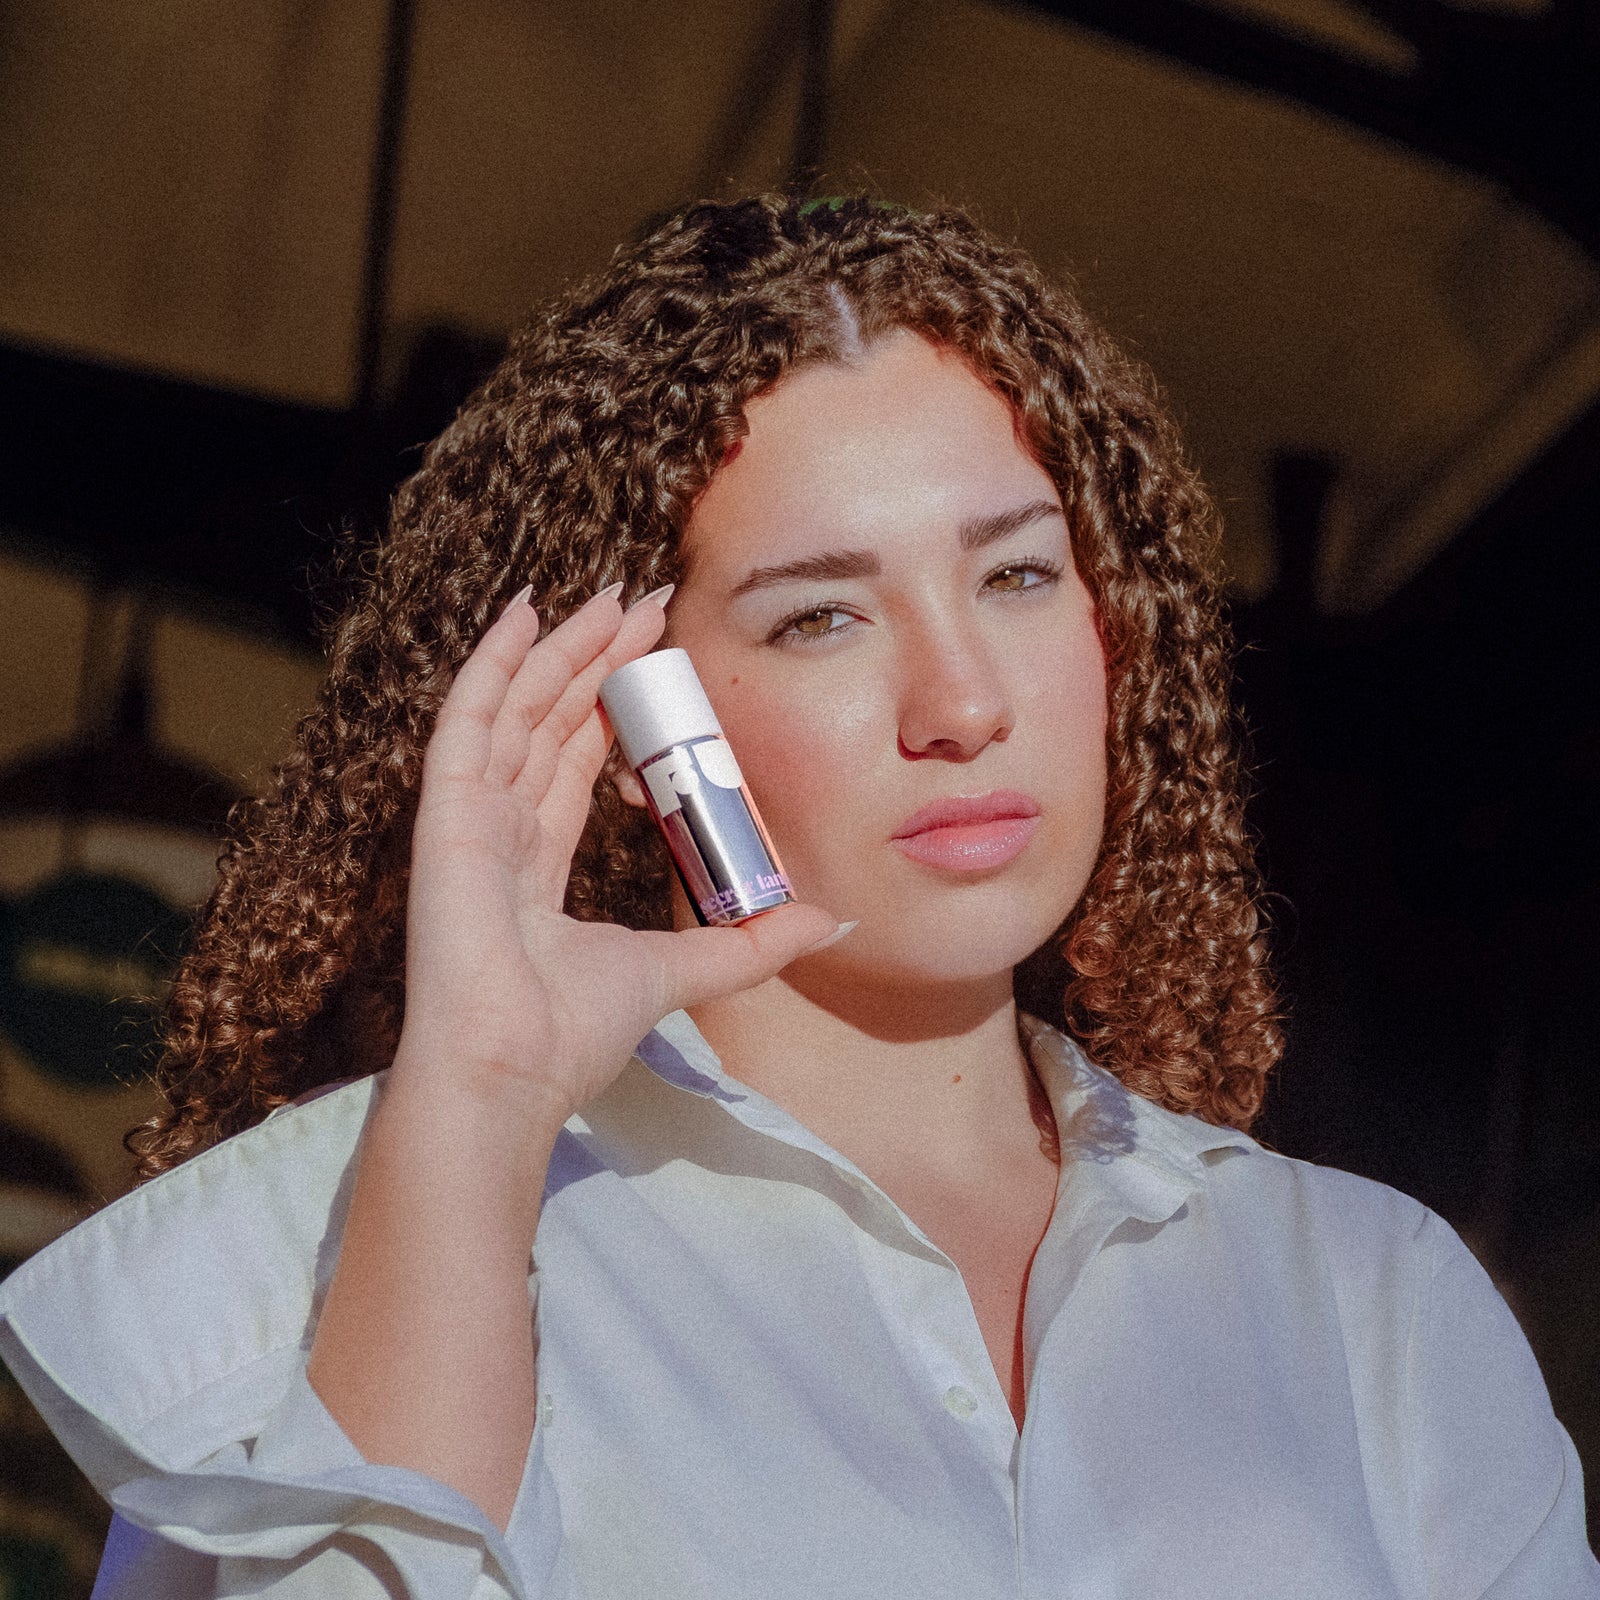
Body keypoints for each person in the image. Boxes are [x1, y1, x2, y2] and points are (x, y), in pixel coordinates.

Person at [1, 194, 1595, 1600]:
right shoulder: (389, 1229)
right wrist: (476, 1103)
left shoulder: (1372, 1298)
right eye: (822, 617)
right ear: (635, 720)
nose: (962, 701)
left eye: (1018, 575)